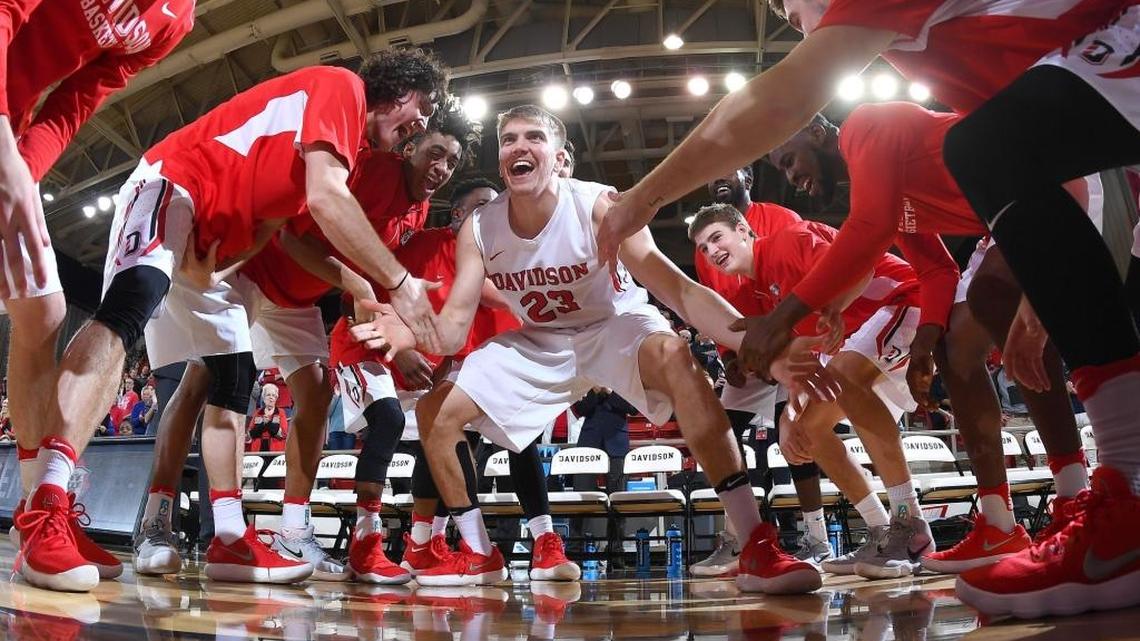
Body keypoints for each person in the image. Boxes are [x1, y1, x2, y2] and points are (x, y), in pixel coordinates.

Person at [596, 0, 1139, 617]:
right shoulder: (893, 171)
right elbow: (924, 260)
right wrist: (893, 337)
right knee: (822, 417)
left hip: (1010, 211)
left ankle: (956, 513)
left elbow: (841, 203)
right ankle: (985, 516)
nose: (789, 19)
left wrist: (645, 201)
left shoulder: (849, 153)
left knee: (981, 179)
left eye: (788, 6)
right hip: (1026, 192)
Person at [350, 105, 839, 593]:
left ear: (559, 156)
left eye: (533, 138)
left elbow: (679, 290)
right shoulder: (479, 227)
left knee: (674, 356)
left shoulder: (599, 204)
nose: (519, 147)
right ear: (501, 159)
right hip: (541, 338)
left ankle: (753, 541)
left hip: (614, 322)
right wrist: (411, 331)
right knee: (438, 412)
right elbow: (454, 330)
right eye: (509, 139)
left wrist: (751, 337)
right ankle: (479, 553)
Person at [30, 49, 449, 593]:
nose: (424, 119)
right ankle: (47, 506)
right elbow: (325, 201)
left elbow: (273, 221)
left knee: (234, 378)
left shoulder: (355, 153)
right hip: (174, 181)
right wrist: (397, 283)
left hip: (218, 247)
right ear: (399, 88)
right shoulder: (342, 88)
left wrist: (218, 264)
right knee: (132, 306)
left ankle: (228, 536)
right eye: (425, 105)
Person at [764, 107, 1090, 576]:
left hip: (1044, 183)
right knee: (953, 348)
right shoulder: (881, 187)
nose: (792, 176)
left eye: (790, 160)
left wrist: (786, 315)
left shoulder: (866, 128)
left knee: (994, 297)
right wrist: (925, 339)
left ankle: (1076, 498)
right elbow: (937, 269)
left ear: (817, 131)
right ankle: (999, 525)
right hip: (1000, 224)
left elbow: (866, 234)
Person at [1, 2, 195, 592]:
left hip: (12, 122)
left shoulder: (175, 20)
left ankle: (38, 516)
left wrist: (23, 174)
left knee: (44, 310)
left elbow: (76, 101)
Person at [690, 205, 937, 578]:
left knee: (845, 376)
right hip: (860, 339)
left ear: (743, 230)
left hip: (904, 301)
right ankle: (879, 528)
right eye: (703, 248)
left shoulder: (790, 240)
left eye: (716, 238)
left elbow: (862, 266)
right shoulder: (762, 290)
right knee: (809, 433)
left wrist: (835, 306)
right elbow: (810, 355)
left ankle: (912, 524)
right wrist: (790, 415)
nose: (711, 251)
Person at [247, 384, 288, 453]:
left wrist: (268, 423)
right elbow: (251, 433)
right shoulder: (258, 412)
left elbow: (283, 434)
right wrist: (263, 424)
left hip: (275, 450)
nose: (271, 397)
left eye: (273, 395)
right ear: (263, 398)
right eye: (268, 395)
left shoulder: (281, 412)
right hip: (257, 450)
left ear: (276, 398)